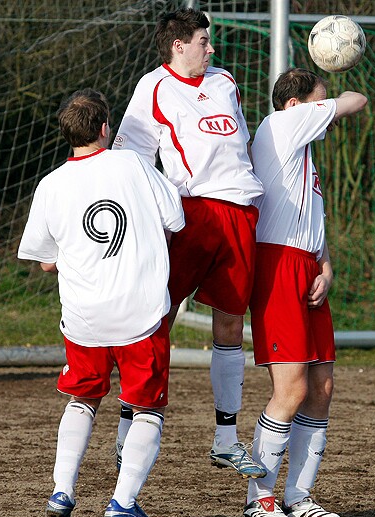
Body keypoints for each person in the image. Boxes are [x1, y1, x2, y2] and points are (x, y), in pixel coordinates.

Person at [17, 88, 185, 517]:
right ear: (105, 128)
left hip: (83, 317)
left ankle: (62, 491)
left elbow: (45, 261)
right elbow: (175, 221)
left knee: (83, 398)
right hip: (139, 312)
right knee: (147, 408)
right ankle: (123, 501)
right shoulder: (133, 164)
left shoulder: (50, 184)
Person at [112, 7, 266, 479]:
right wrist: (144, 221)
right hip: (188, 215)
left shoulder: (225, 81)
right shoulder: (153, 87)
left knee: (230, 323)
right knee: (157, 317)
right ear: (179, 46)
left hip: (239, 213)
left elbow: (241, 146)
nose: (211, 48)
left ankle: (226, 439)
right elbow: (130, 159)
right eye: (203, 40)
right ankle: (128, 427)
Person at [241, 68, 367, 517]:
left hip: (307, 265)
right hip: (278, 266)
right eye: (320, 101)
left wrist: (326, 266)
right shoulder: (283, 123)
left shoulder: (303, 151)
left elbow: (313, 220)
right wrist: (336, 67)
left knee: (321, 388)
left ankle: (298, 495)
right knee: (291, 389)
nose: (326, 111)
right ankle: (259, 498)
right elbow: (356, 99)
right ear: (296, 105)